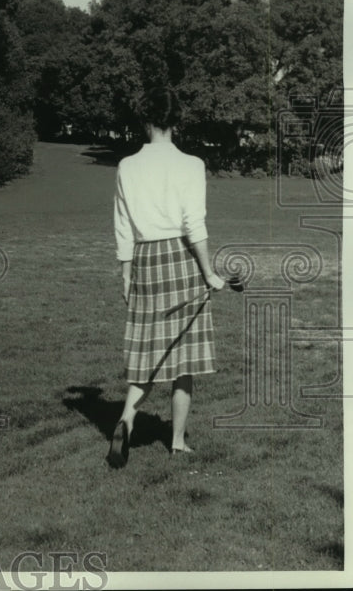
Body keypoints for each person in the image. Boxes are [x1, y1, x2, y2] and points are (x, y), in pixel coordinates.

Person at [107, 87, 226, 468]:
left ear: (145, 120)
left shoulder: (127, 166)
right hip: (181, 261)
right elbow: (194, 224)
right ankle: (176, 441)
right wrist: (209, 273)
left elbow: (123, 225)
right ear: (176, 121)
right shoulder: (191, 164)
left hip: (144, 260)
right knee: (183, 360)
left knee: (147, 355)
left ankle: (126, 418)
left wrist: (126, 273)